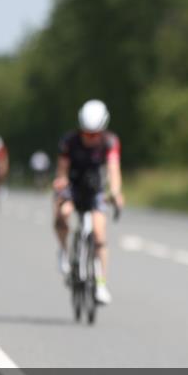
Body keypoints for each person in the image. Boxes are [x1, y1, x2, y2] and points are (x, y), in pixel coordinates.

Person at [52, 99, 124, 305]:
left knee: (100, 234)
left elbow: (113, 171)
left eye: (94, 134)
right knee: (63, 213)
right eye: (85, 133)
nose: (89, 138)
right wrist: (60, 185)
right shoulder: (69, 142)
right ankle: (64, 251)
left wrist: (116, 192)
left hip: (96, 188)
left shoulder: (110, 142)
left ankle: (100, 284)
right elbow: (62, 171)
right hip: (73, 185)